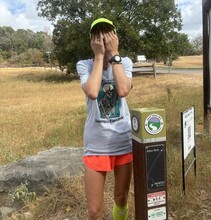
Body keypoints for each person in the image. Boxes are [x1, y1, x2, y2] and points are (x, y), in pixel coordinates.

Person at [76, 18, 133, 220]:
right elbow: (92, 91)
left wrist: (114, 54)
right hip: (96, 144)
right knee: (94, 210)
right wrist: (99, 57)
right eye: (98, 36)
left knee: (121, 197)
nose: (103, 39)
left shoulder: (124, 62)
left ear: (115, 37)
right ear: (92, 40)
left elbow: (124, 89)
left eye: (107, 35)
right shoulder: (84, 65)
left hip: (122, 142)